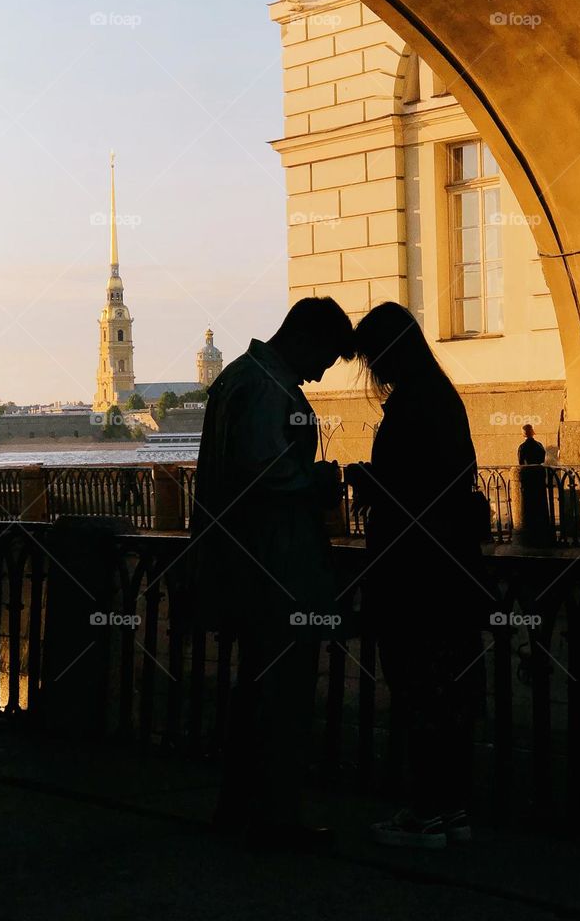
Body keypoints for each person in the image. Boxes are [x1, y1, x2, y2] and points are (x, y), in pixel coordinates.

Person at [185, 296, 354, 851]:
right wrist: (319, 482)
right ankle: (275, 819)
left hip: (244, 565)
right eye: (324, 359)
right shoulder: (267, 387)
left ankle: (238, 807)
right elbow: (267, 472)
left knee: (254, 690)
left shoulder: (237, 378)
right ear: (305, 339)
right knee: (282, 695)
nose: (321, 373)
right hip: (277, 568)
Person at [345, 302, 491, 850]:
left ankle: (427, 813)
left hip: (412, 576)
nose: (372, 371)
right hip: (450, 572)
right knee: (448, 692)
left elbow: (411, 493)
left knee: (416, 689)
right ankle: (451, 810)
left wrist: (369, 482)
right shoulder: (443, 399)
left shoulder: (410, 404)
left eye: (372, 358)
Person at [517, 423, 554, 547]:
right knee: (540, 504)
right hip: (539, 478)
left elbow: (521, 463)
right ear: (532, 432)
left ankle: (532, 533)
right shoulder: (539, 445)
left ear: (523, 433)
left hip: (528, 480)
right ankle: (542, 531)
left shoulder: (522, 447)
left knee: (530, 506)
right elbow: (542, 460)